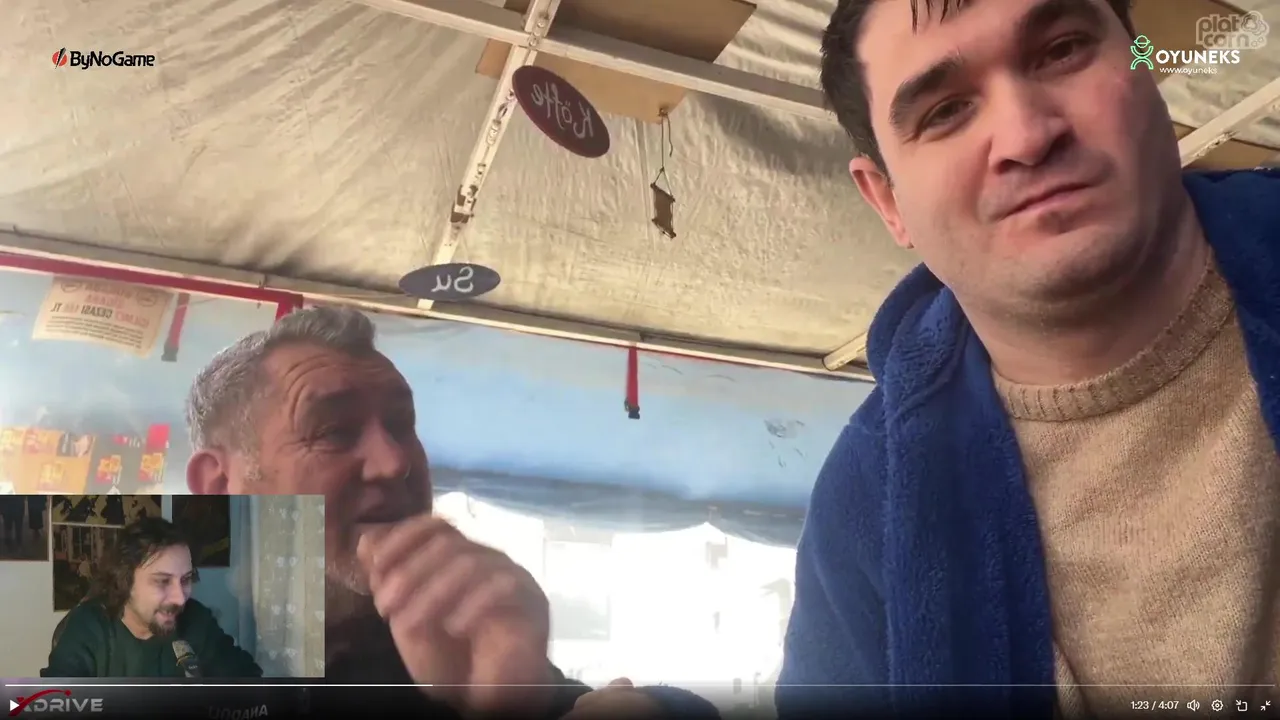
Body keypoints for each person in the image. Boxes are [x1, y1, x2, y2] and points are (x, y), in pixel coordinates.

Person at [778, 0, 1280, 718]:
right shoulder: (863, 509)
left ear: (1144, 64)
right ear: (887, 201)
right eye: (946, 111)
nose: (1027, 136)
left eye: (1063, 50)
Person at [184, 306, 718, 719]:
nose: (395, 462)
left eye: (402, 424)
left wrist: (654, 707)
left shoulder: (432, 635)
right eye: (334, 430)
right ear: (220, 488)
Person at [43, 516, 262, 677]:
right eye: (162, 581)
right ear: (125, 581)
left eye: (186, 579)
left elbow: (248, 680)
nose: (180, 599)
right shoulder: (88, 626)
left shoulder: (196, 619)